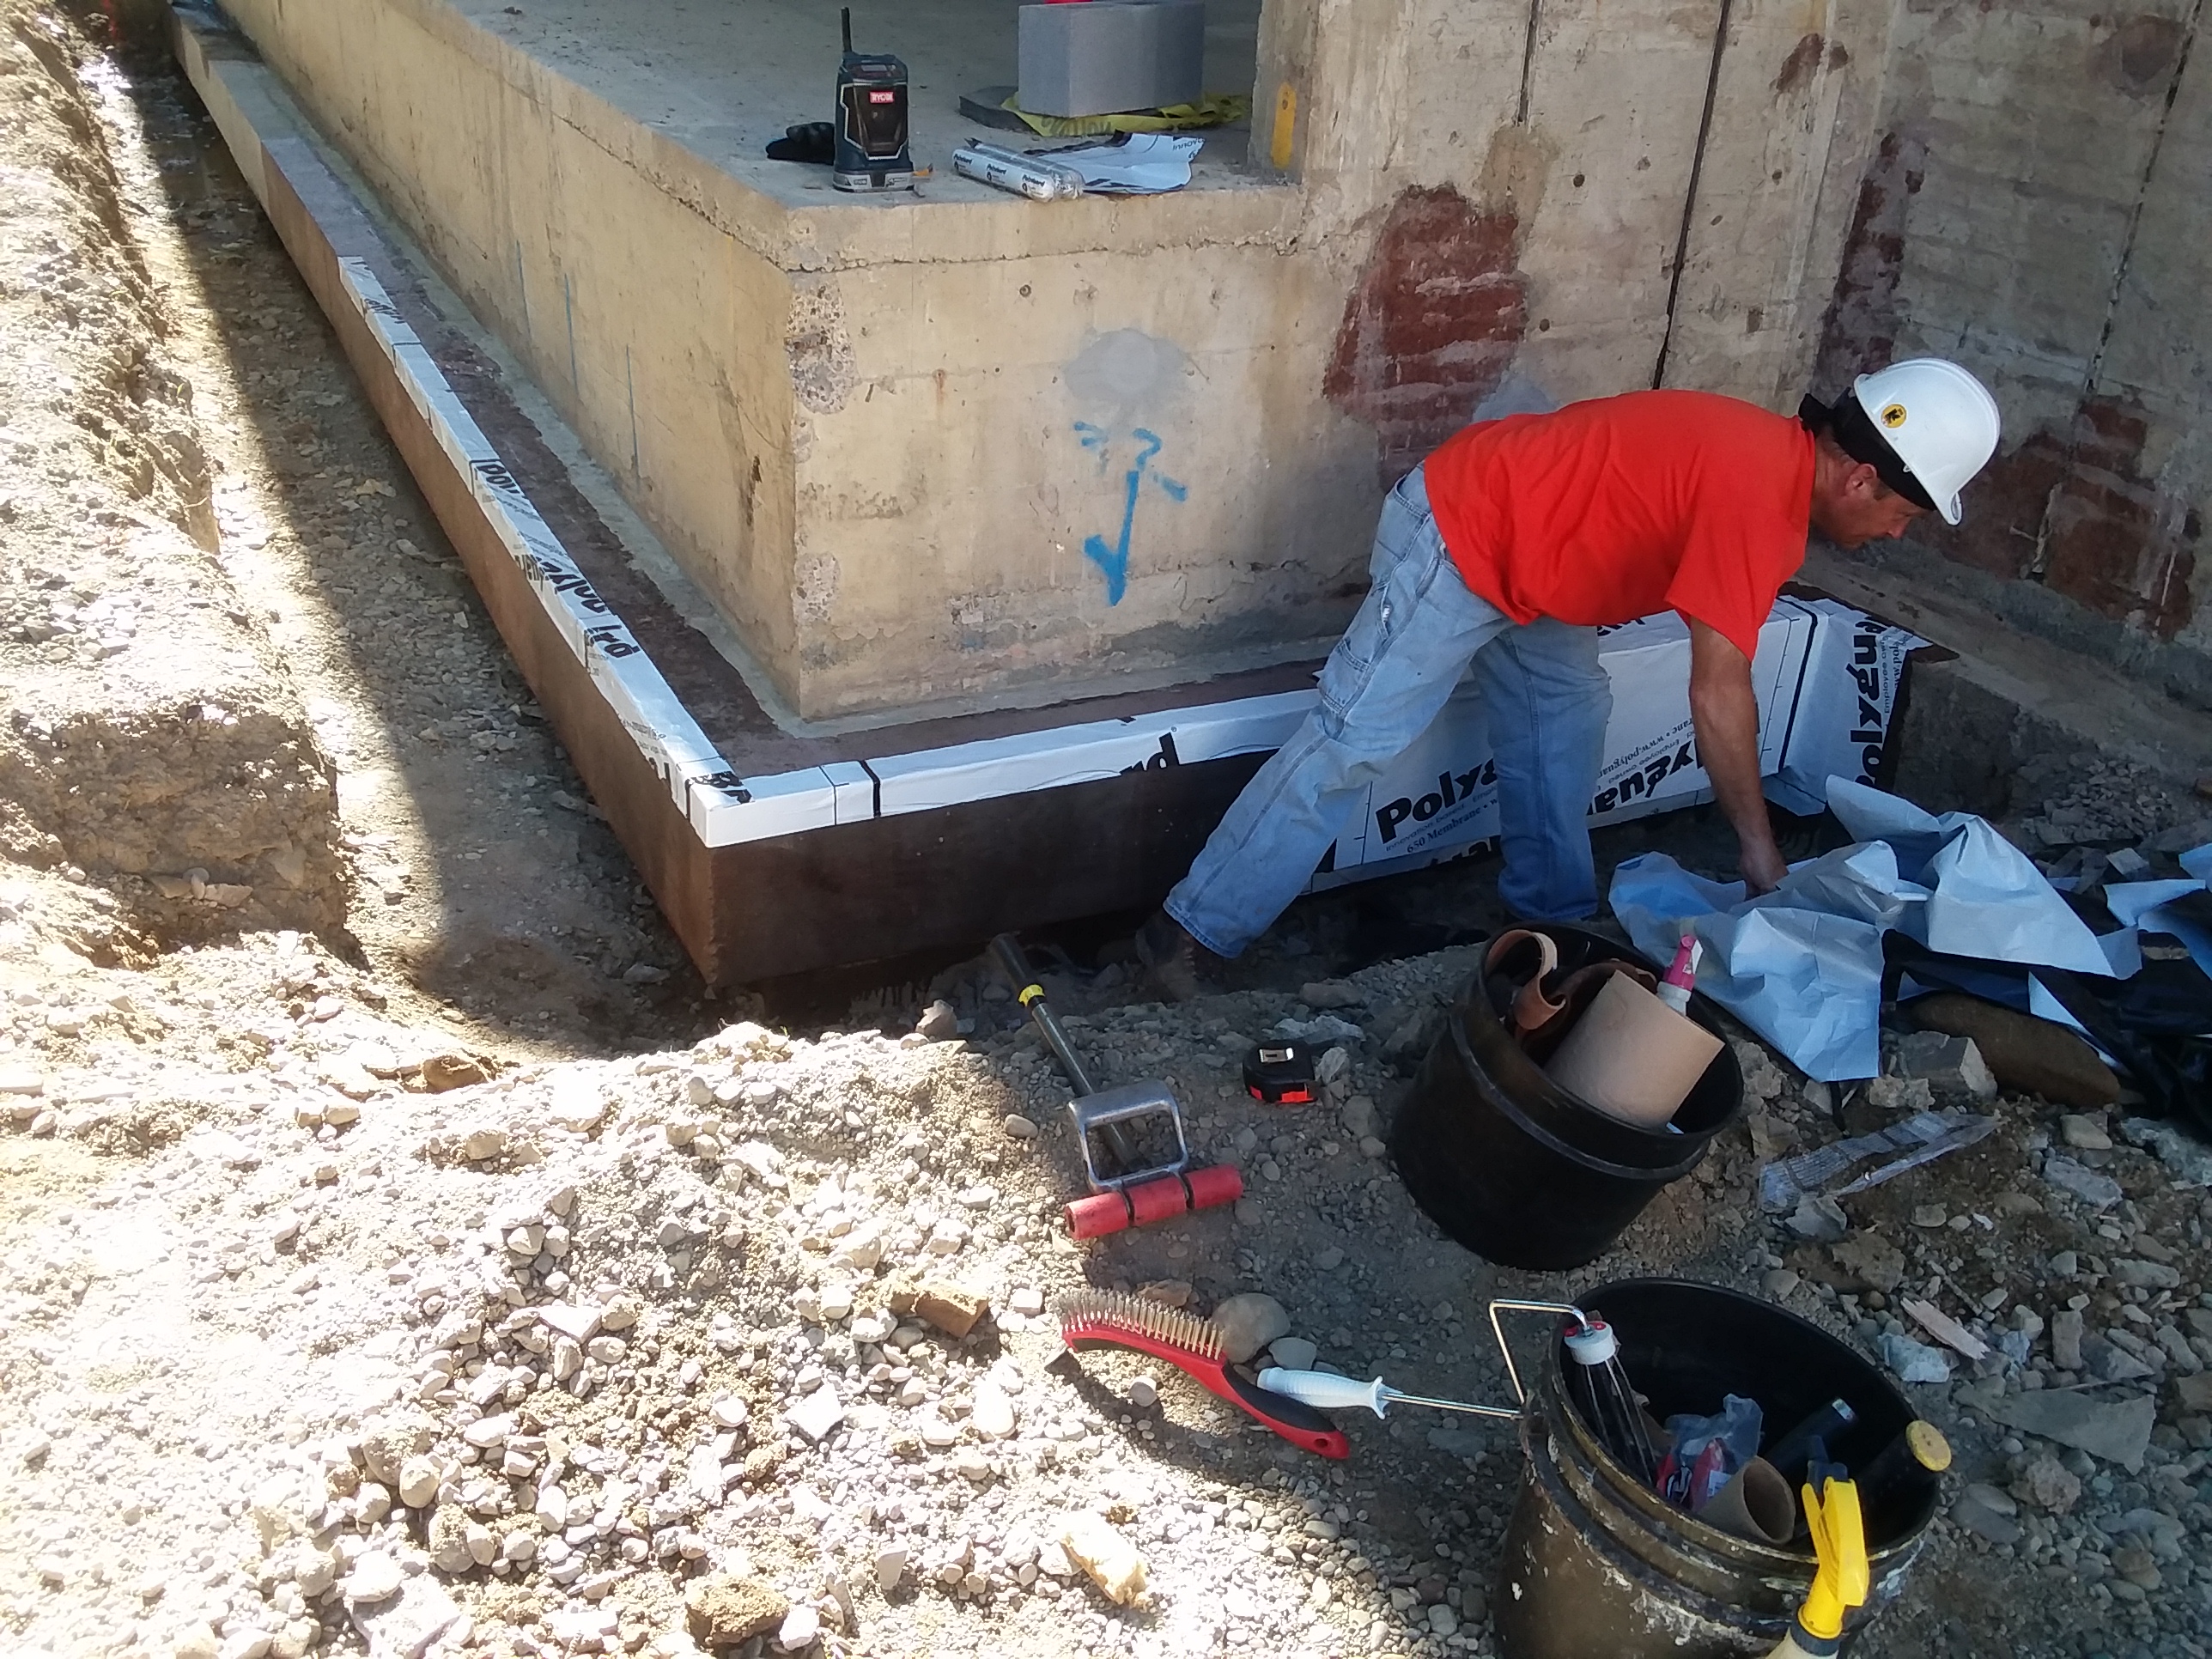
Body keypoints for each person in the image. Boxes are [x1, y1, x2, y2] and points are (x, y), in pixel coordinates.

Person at [1134, 358, 2002, 1000]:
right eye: (1901, 512)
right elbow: (1717, 692)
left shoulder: (1765, 470)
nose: (1893, 534)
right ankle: (1188, 935)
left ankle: (1546, 925)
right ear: (1859, 475)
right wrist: (1756, 845)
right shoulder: (1757, 496)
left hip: (1537, 567)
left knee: (1565, 720)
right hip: (1465, 534)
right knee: (1353, 742)